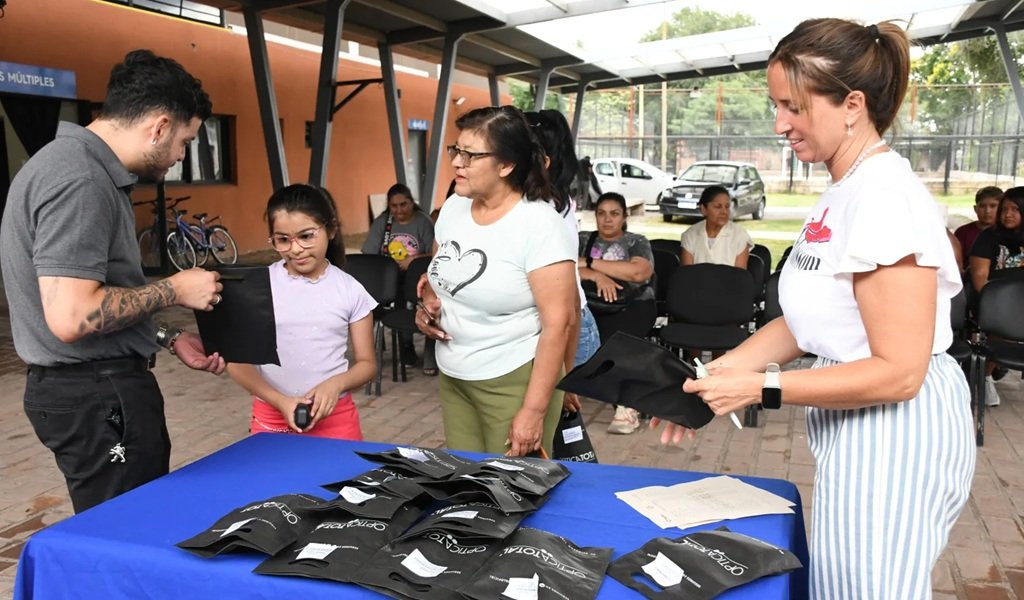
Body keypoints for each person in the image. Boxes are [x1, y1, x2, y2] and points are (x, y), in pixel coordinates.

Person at [656, 20, 974, 599]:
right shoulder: (844, 188)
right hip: (858, 426)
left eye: (793, 107)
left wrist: (761, 388)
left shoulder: (883, 197)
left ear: (852, 104)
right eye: (777, 105)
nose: (780, 124)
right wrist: (707, 378)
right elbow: (807, 323)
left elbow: (901, 373)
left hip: (895, 433)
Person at [0, 49, 226, 514]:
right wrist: (175, 290)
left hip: (95, 392)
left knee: (126, 519)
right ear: (159, 126)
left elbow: (95, 292)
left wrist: (165, 335)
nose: (181, 157)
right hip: (97, 400)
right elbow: (73, 314)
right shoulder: (79, 180)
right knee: (126, 528)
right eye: (185, 141)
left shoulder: (76, 166)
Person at [415, 105, 577, 457]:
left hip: (513, 378)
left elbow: (559, 324)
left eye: (470, 155)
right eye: (455, 151)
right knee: (466, 482)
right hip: (455, 374)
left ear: (506, 165)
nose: (457, 162)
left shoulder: (538, 225)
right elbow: (442, 276)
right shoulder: (456, 208)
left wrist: (533, 411)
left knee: (513, 492)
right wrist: (427, 307)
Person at [227, 184, 376, 438]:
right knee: (273, 480)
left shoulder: (350, 290)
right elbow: (237, 364)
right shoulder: (258, 286)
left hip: (336, 420)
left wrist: (336, 383)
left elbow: (367, 364)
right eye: (283, 240)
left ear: (331, 230)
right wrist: (279, 401)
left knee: (339, 480)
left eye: (306, 236)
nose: (295, 249)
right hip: (270, 417)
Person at [524, 108, 598, 415]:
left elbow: (568, 303)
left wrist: (564, 375)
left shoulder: (551, 209)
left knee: (544, 427)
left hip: (564, 329)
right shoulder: (541, 202)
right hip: (551, 326)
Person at [578, 191, 656, 435]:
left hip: (634, 305)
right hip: (591, 304)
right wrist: (595, 276)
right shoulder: (581, 239)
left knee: (618, 343)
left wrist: (588, 263)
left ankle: (627, 407)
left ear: (624, 217)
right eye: (601, 213)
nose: (607, 219)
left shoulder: (636, 241)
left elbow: (638, 273)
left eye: (614, 214)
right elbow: (562, 267)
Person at [361, 182, 436, 373]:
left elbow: (435, 253)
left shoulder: (422, 222)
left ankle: (415, 348)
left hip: (415, 278)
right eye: (394, 206)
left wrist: (414, 260)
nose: (399, 210)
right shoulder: (382, 222)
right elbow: (369, 252)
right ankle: (404, 347)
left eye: (403, 205)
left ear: (412, 203)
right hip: (389, 279)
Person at [968, 187, 1024, 407]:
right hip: (993, 302)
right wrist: (997, 307)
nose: (1007, 214)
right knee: (1007, 327)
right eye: (1005, 209)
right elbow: (979, 276)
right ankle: (986, 376)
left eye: (1015, 209)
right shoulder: (989, 238)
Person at [680, 185, 754, 268]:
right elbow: (687, 275)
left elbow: (740, 276)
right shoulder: (690, 235)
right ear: (703, 209)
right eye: (718, 207)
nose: (724, 212)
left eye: (727, 207)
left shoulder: (739, 235)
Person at [954, 185, 1002, 258]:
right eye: (982, 206)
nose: (987, 211)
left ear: (1001, 208)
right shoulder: (963, 232)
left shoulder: (1006, 232)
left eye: (993, 206)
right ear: (975, 209)